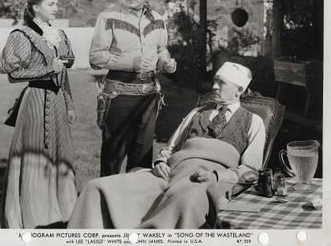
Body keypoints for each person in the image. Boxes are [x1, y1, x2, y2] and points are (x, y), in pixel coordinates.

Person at [68, 62, 266, 229]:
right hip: (171, 173)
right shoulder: (198, 112)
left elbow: (251, 170)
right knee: (96, 187)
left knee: (183, 202)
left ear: (239, 90)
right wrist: (161, 161)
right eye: (215, 80)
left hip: (207, 181)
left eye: (221, 83)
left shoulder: (253, 121)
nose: (214, 86)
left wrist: (217, 176)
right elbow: (169, 148)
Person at [0, 0, 77, 228]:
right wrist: (46, 69)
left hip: (58, 103)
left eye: (56, 4)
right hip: (35, 102)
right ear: (35, 7)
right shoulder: (22, 35)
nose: (56, 8)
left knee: (60, 156)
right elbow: (10, 73)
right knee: (34, 156)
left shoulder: (58, 35)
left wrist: (69, 104)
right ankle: (32, 216)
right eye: (51, 4)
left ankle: (62, 211)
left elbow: (63, 73)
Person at [90, 0, 177, 176]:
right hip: (118, 96)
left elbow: (162, 48)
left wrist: (166, 62)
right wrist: (131, 63)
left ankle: (137, 207)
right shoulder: (108, 17)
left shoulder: (158, 20)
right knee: (112, 160)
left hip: (148, 97)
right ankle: (106, 207)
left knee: (142, 160)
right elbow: (95, 57)